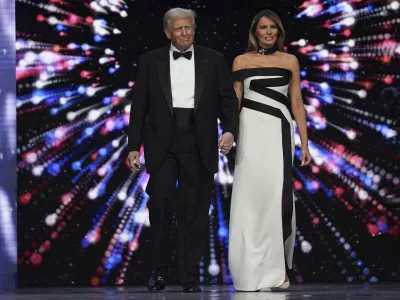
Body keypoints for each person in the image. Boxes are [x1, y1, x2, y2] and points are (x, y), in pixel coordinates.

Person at [126, 7, 239, 293]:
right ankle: (160, 269)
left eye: (188, 27)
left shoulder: (213, 59)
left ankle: (190, 276)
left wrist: (229, 130)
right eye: (178, 29)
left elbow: (227, 99)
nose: (185, 33)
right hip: (162, 142)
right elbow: (139, 108)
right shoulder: (149, 61)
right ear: (167, 32)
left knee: (195, 212)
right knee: (161, 203)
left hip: (199, 141)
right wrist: (133, 147)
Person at [228, 10, 312, 292]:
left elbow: (297, 102)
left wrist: (305, 142)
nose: (268, 32)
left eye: (273, 27)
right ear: (255, 31)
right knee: (250, 199)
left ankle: (276, 271)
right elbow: (236, 100)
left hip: (279, 131)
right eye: (263, 27)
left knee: (276, 198)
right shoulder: (241, 60)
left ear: (279, 31)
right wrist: (229, 133)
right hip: (250, 132)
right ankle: (249, 270)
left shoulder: (289, 60)